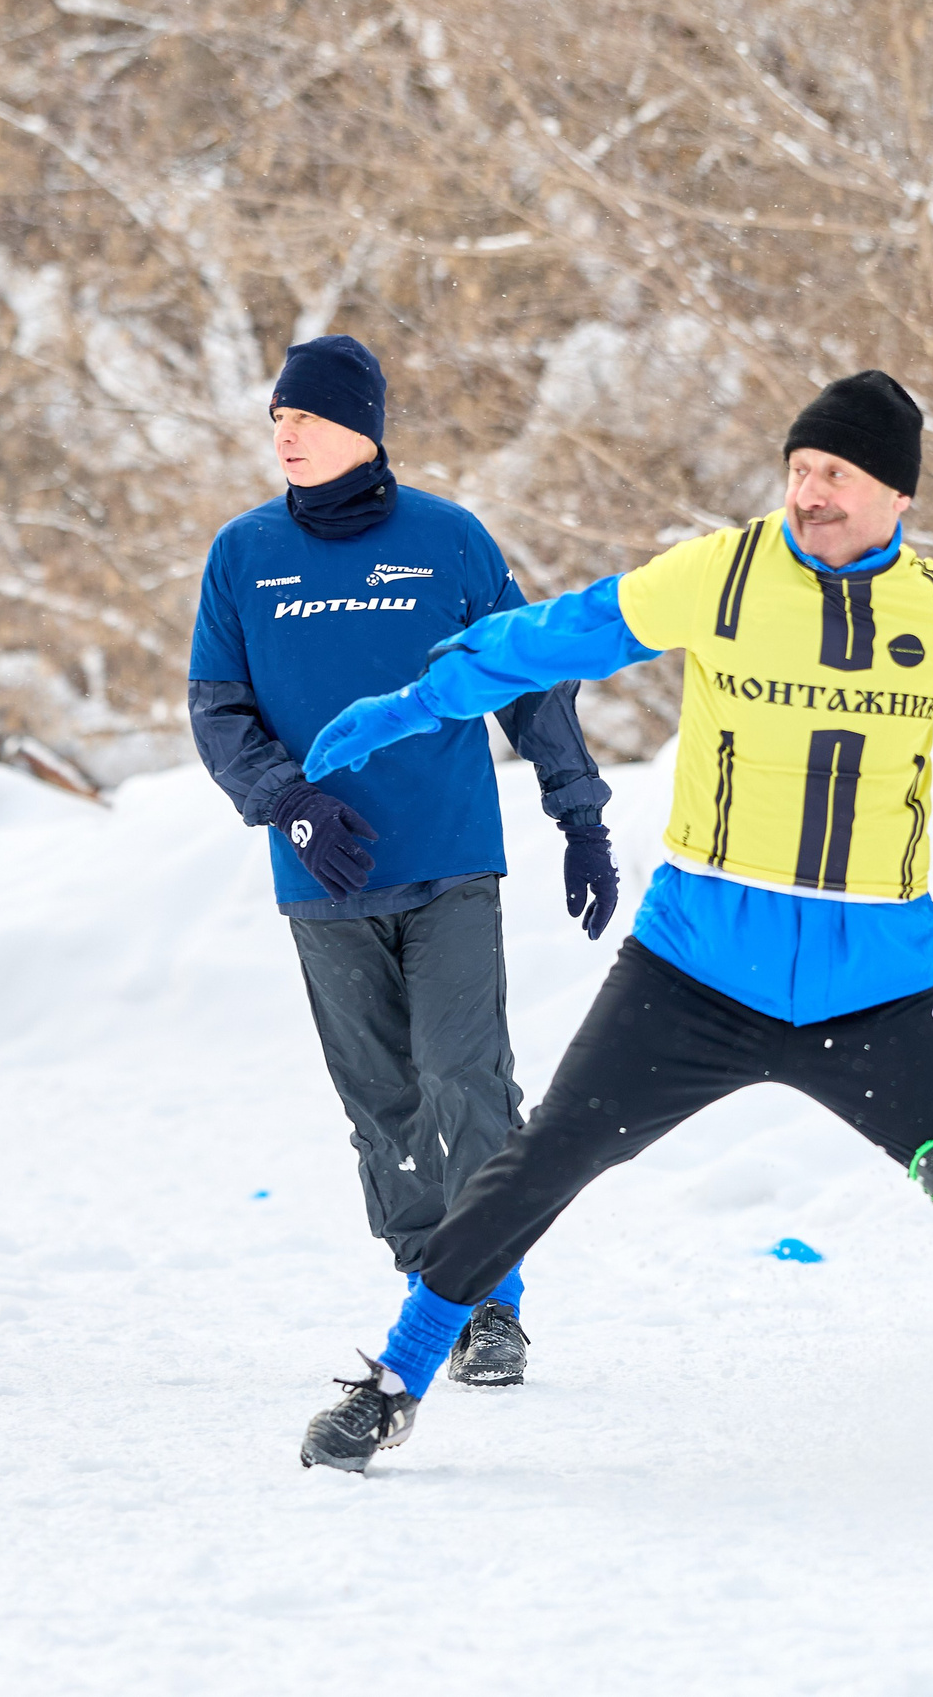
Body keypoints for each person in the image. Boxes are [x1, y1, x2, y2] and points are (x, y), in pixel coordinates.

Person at [295, 370, 933, 1479]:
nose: (809, 491)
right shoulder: (728, 573)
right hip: (694, 973)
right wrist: (417, 701)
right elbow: (558, 637)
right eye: (797, 470)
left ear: (895, 494)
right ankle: (394, 1383)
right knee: (535, 1164)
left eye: (834, 472)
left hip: (873, 989)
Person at [190, 335, 617, 1389]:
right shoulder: (242, 555)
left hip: (450, 858)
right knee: (381, 1101)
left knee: (467, 1080)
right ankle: (434, 1281)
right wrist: (288, 803)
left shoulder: (449, 541)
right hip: (320, 874)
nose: (284, 434)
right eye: (277, 419)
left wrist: (580, 813)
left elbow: (529, 677)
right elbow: (218, 708)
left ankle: (493, 1305)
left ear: (363, 428)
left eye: (307, 417)